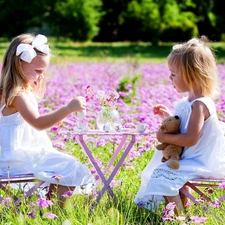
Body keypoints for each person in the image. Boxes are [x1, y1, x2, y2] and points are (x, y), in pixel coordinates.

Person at [0, 33, 95, 207]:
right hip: (17, 158)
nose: (40, 76)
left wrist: (53, 119)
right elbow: (37, 123)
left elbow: (20, 123)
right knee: (70, 167)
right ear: (19, 64)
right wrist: (67, 109)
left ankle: (46, 207)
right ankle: (54, 211)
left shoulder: (8, 92)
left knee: (62, 166)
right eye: (37, 71)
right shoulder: (19, 95)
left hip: (8, 156)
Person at [134, 36, 225, 214]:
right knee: (162, 171)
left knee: (162, 174)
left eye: (174, 74)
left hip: (201, 161)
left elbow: (191, 138)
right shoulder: (188, 102)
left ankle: (177, 217)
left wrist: (164, 137)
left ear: (192, 76)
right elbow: (184, 127)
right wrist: (168, 117)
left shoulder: (200, 104)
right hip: (188, 158)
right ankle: (184, 209)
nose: (170, 78)